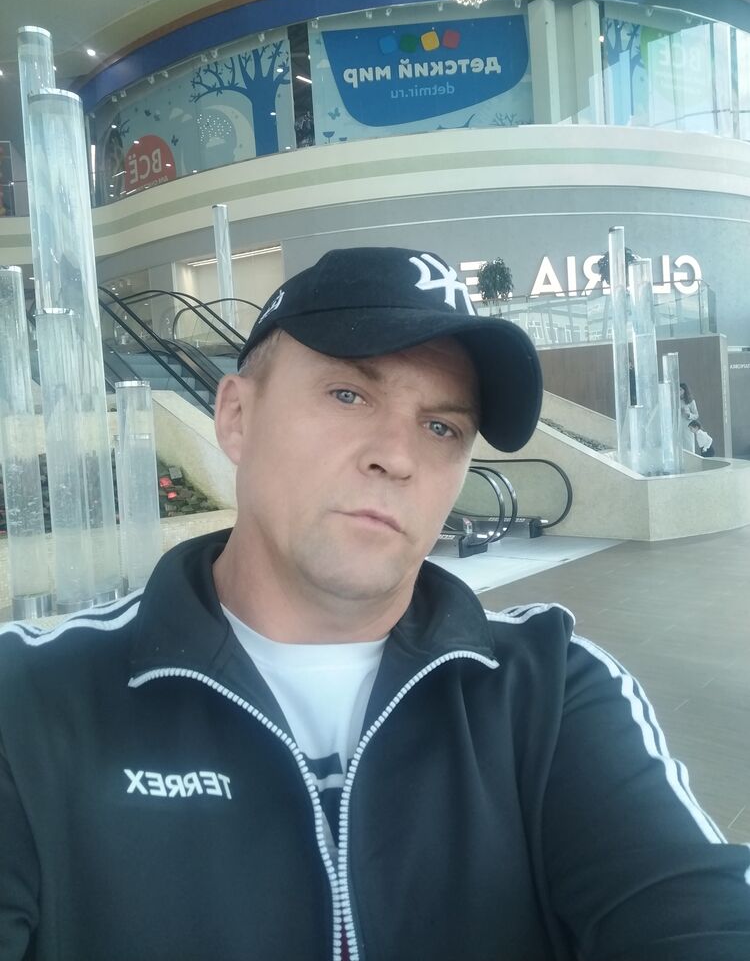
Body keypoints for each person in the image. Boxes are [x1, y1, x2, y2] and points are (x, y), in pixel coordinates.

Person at [1, 246, 749, 961]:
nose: (397, 455)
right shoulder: (32, 702)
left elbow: (694, 918)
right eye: (349, 394)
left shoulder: (550, 692)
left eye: (441, 426)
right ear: (236, 417)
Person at [679, 380, 699, 450]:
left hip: (687, 427)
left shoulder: (690, 401)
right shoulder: (676, 401)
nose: (679, 391)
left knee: (689, 446)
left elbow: (696, 415)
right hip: (678, 427)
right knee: (679, 447)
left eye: (680, 390)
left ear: (685, 391)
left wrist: (689, 415)